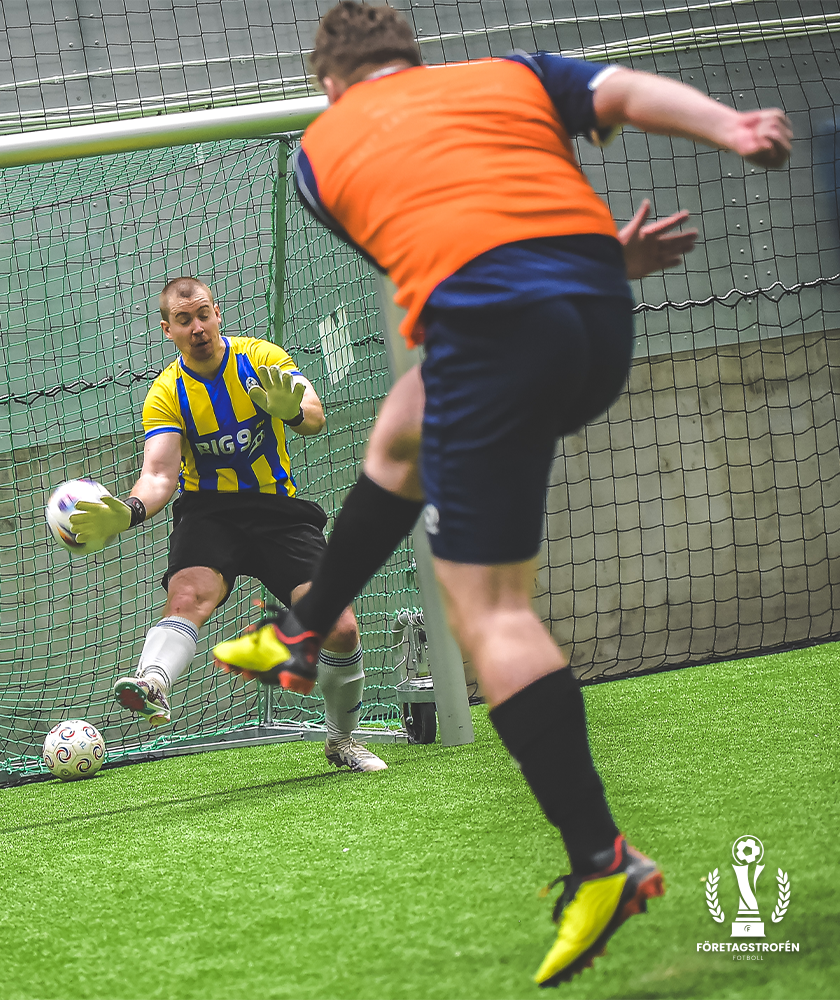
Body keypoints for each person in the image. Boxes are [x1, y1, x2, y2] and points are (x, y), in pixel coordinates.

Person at [211, 1, 791, 987]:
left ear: (330, 83)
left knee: (492, 615)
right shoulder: (510, 71)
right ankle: (304, 632)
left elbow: (436, 239)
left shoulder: (318, 155)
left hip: (499, 331)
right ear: (412, 57)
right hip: (600, 311)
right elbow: (622, 90)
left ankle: (601, 861)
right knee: (402, 427)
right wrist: (731, 128)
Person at [69, 275, 387, 773]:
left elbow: (314, 415)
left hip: (277, 510)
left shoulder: (261, 358)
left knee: (341, 628)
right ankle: (152, 682)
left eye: (203, 315)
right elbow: (159, 475)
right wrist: (127, 510)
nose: (197, 327)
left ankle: (341, 740)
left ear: (217, 314)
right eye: (183, 320)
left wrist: (293, 412)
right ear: (168, 330)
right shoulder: (166, 393)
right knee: (187, 597)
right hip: (209, 512)